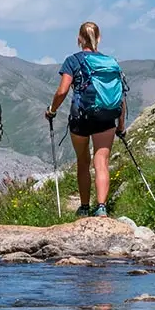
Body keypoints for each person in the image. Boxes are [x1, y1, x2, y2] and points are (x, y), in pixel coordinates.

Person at [44, 22, 124, 217]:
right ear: (99, 38)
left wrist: (52, 110)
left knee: (83, 161)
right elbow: (120, 96)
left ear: (79, 39)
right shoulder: (111, 62)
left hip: (82, 117)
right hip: (107, 116)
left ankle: (85, 207)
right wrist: (120, 125)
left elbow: (63, 90)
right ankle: (102, 207)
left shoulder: (72, 61)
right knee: (102, 161)